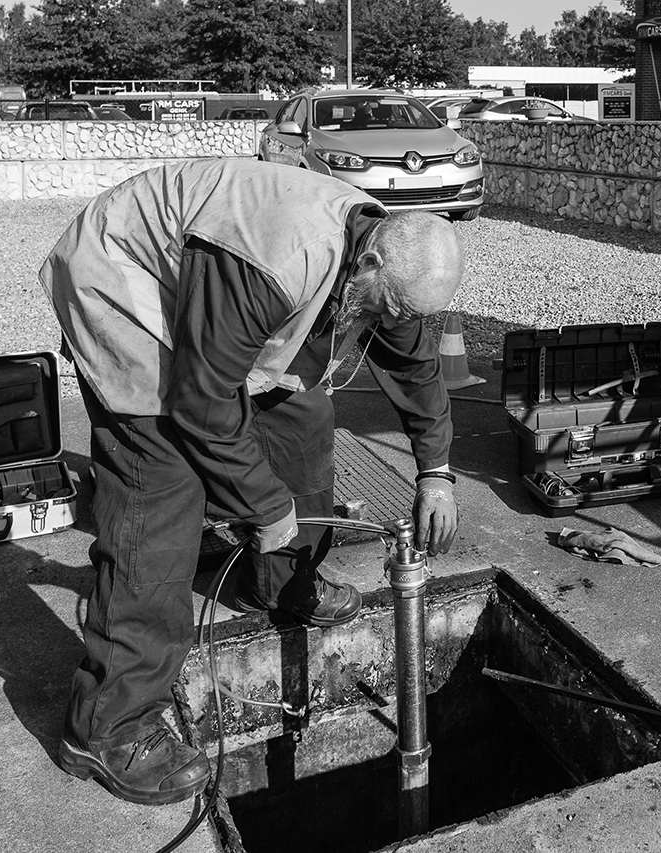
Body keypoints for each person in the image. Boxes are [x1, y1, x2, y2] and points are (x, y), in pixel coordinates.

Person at [38, 158, 463, 806]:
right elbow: (201, 400)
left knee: (302, 418)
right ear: (370, 266)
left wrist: (436, 472)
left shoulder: (387, 263)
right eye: (392, 306)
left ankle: (281, 582)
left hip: (218, 308)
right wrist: (263, 505)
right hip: (126, 285)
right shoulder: (277, 257)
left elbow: (414, 363)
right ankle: (107, 725)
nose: (393, 320)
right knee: (164, 487)